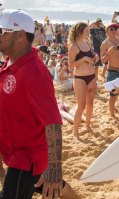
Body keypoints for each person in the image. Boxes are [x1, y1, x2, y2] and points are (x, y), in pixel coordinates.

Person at [0, 9, 63, 198]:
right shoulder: (8, 64)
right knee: (47, 189)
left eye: (2, 31)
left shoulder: (34, 72)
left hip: (27, 158)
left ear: (19, 35)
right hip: (13, 153)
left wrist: (54, 169)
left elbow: (53, 123)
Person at [68, 22, 99, 140]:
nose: (88, 32)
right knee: (81, 106)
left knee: (90, 104)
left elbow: (92, 54)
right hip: (80, 78)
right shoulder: (74, 46)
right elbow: (70, 65)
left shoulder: (87, 42)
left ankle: (87, 125)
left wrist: (95, 56)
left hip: (91, 76)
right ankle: (75, 132)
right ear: (80, 32)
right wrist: (84, 59)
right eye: (86, 31)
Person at [100, 23, 119, 118]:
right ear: (107, 31)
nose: (114, 30)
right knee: (112, 94)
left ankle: (113, 106)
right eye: (112, 29)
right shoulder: (104, 44)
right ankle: (111, 114)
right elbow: (102, 61)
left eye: (115, 29)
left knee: (118, 92)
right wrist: (108, 53)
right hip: (112, 71)